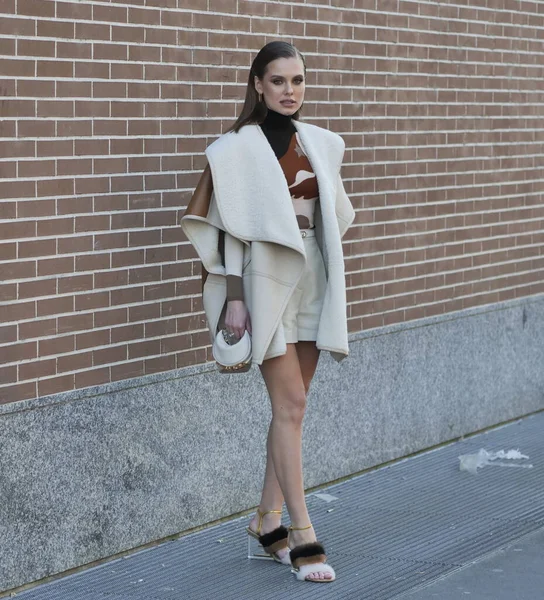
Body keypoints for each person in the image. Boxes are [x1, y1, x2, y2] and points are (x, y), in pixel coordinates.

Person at [181, 41, 355, 583]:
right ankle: (304, 537)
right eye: (278, 81)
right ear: (257, 84)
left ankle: (266, 521)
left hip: (313, 276)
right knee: (292, 402)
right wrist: (234, 296)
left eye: (298, 80)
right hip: (260, 280)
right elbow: (224, 228)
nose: (290, 91)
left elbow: (335, 215)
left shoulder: (321, 143)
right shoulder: (232, 149)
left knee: (293, 411)